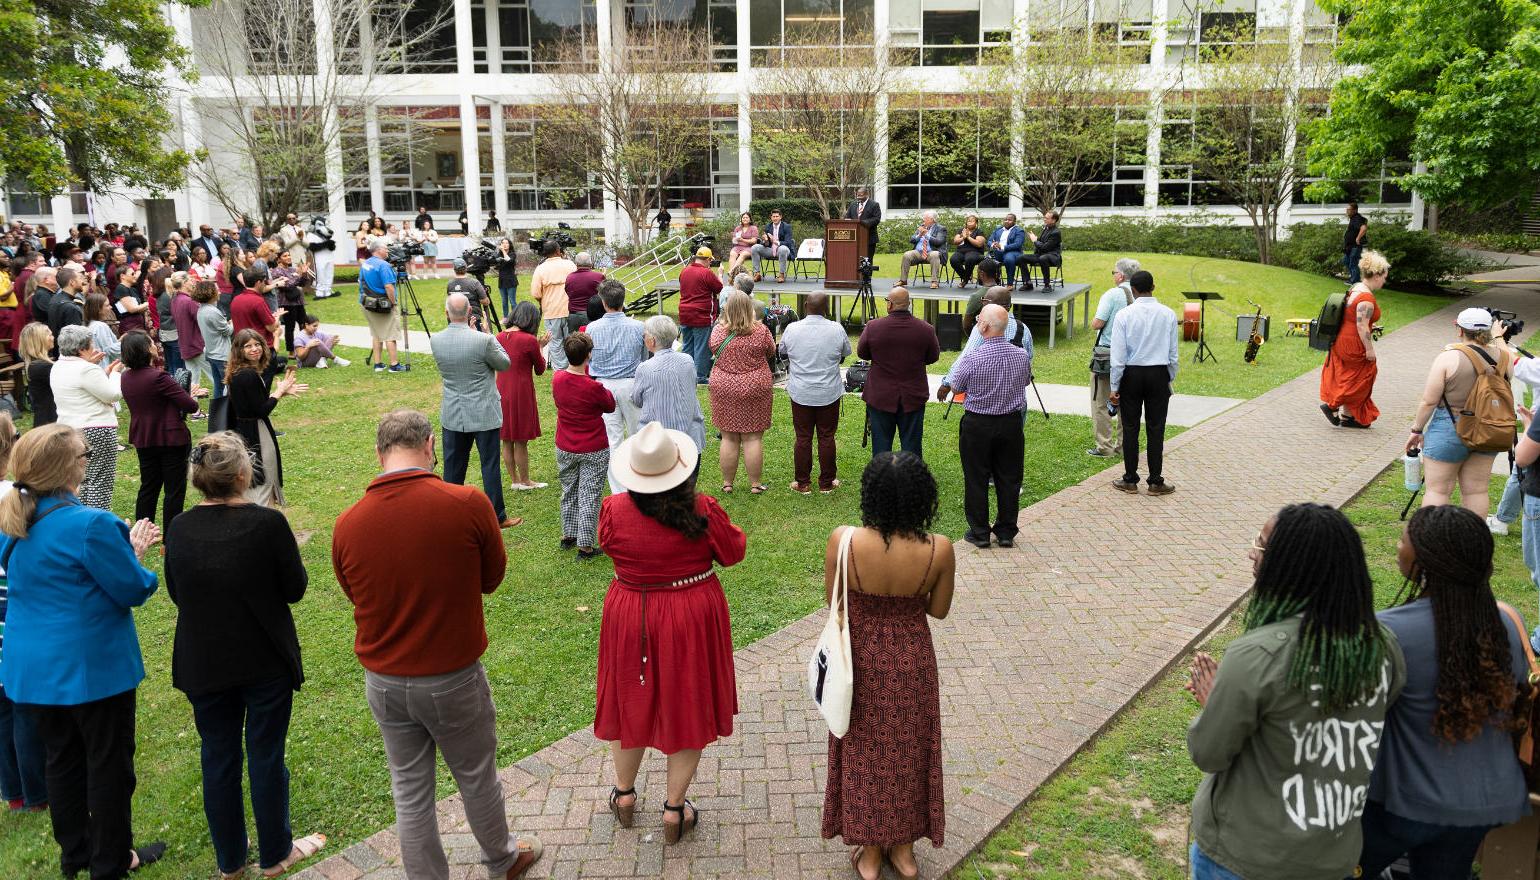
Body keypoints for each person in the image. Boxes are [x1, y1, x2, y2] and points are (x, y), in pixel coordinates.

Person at [332, 410, 545, 880]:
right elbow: (492, 579)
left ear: (379, 453)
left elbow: (354, 591)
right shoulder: (467, 503)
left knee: (409, 791)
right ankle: (502, 859)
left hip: (385, 681)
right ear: (430, 446)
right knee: (476, 776)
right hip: (452, 676)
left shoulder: (349, 523)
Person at [1184, 503, 1405, 880]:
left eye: (1263, 546)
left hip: (1246, 859)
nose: (1252, 553)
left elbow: (1209, 753)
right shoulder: (1382, 646)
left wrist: (1216, 704)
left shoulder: (1257, 655)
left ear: (1294, 567)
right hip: (1333, 856)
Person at [0, 424, 168, 878]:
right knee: (109, 767)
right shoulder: (91, 524)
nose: (86, 462)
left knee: (62, 760)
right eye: (84, 456)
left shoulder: (14, 518)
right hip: (90, 669)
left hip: (32, 668)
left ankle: (76, 853)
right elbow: (133, 588)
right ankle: (111, 860)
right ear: (66, 469)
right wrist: (133, 553)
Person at [166, 431, 325, 880]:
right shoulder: (266, 524)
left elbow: (179, 592)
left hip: (205, 659)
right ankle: (275, 853)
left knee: (218, 755)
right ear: (242, 474)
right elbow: (294, 588)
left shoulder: (180, 527)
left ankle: (230, 861)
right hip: (262, 656)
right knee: (264, 753)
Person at [1353, 505, 1529, 877]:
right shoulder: (1507, 622)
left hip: (1403, 803)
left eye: (1404, 539)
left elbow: (1355, 721)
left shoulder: (1388, 633)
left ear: (1424, 560)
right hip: (1479, 804)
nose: (1397, 545)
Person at [595, 422, 745, 844]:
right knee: (687, 704)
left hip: (631, 612)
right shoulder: (702, 509)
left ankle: (624, 797)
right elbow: (733, 552)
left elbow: (608, 544)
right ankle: (674, 810)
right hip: (689, 613)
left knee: (629, 700)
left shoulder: (613, 509)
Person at [822, 452, 955, 880]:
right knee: (912, 749)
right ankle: (904, 851)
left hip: (858, 661)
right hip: (912, 660)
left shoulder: (843, 540)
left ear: (870, 495)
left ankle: (871, 854)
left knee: (862, 749)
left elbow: (833, 603)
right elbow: (939, 610)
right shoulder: (939, 549)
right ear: (923, 498)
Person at [1405, 307, 1512, 518]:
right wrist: (1500, 338)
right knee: (1477, 490)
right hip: (1488, 429)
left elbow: (1429, 401)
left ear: (1459, 330)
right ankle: (1473, 542)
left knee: (1438, 490)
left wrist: (1416, 429)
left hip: (1450, 426)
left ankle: (1431, 540)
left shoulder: (1449, 357)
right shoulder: (1505, 359)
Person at [430, 293, 519, 529]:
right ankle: (497, 516)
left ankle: (450, 514)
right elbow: (505, 363)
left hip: (453, 411)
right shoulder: (483, 341)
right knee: (489, 464)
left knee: (453, 466)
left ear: (446, 312)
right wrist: (487, 334)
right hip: (484, 411)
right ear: (470, 311)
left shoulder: (436, 339)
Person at [948, 304, 1033, 549]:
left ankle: (980, 531)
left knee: (976, 477)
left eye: (978, 319)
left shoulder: (973, 357)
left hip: (978, 423)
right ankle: (1006, 531)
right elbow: (1025, 381)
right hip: (1010, 423)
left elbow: (956, 387)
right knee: (1009, 478)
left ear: (984, 326)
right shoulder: (1020, 355)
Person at [0, 415, 42, 817]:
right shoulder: (15, 496)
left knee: (2, 709)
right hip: (12, 606)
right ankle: (35, 790)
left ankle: (12, 790)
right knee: (22, 705)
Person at [1109, 270, 1178, 495]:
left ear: (1133, 290)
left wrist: (1114, 387)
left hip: (1131, 374)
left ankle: (1130, 479)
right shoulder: (1168, 314)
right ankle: (1155, 481)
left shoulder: (1124, 315)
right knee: (1156, 428)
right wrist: (1169, 377)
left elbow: (1117, 357)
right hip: (1158, 373)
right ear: (1153, 286)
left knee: (1130, 428)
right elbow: (1173, 354)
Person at [120, 331, 199, 525]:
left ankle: (143, 529)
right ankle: (170, 535)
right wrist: (187, 393)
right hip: (170, 437)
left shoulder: (126, 377)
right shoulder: (159, 377)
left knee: (149, 485)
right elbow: (191, 405)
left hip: (143, 436)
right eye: (151, 343)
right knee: (174, 489)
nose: (155, 346)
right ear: (147, 349)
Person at [552, 333, 615, 560]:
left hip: (566, 444)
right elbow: (610, 405)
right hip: (593, 446)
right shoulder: (593, 387)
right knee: (589, 493)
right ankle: (585, 545)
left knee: (569, 488)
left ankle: (568, 534)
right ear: (589, 355)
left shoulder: (558, 379)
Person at [779, 292, 850, 495]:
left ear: (806, 306)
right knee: (827, 436)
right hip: (828, 391)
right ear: (826, 308)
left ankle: (803, 484)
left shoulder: (792, 329)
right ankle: (826, 483)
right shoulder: (836, 329)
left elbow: (782, 351)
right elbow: (845, 352)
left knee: (803, 437)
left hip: (801, 391)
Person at [227, 330, 307, 508]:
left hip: (246, 430)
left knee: (256, 479)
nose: (254, 349)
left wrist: (281, 393)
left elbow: (253, 405)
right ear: (239, 350)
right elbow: (261, 411)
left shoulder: (240, 372)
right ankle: (264, 520)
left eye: (257, 345)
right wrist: (279, 392)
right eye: (248, 346)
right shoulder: (248, 375)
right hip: (256, 432)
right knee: (264, 478)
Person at [857, 287, 939, 458]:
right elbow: (932, 357)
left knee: (881, 446)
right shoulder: (926, 329)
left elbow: (862, 353)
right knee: (912, 446)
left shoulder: (873, 327)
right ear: (908, 304)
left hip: (881, 395)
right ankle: (912, 482)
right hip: (913, 395)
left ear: (890, 305)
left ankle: (881, 482)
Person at [709, 291, 777, 494]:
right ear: (750, 308)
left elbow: (712, 350)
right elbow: (771, 351)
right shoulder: (761, 331)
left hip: (724, 386)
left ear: (727, 308)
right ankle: (755, 484)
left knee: (729, 438)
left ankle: (727, 483)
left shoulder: (718, 332)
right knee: (753, 438)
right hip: (754, 385)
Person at [52, 325, 123, 510]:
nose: (94, 348)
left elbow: (81, 388)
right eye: (91, 345)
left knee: (79, 480)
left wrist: (102, 373)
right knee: (100, 481)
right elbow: (112, 395)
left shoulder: (58, 366)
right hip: (96, 429)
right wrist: (115, 374)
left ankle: (81, 518)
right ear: (82, 349)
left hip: (69, 430)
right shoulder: (86, 369)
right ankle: (97, 522)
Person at [586, 281, 647, 486]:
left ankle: (620, 488)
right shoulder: (638, 327)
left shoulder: (593, 329)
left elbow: (589, 358)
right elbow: (644, 358)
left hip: (606, 385)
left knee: (614, 438)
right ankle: (637, 480)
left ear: (604, 303)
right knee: (636, 434)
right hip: (628, 385)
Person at [1320, 249, 1387, 429]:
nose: (1385, 281)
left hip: (1343, 338)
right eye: (1384, 277)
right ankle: (1332, 405)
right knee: (1363, 376)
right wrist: (1369, 349)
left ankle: (1348, 417)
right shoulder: (1365, 298)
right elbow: (1361, 325)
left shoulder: (1356, 287)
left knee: (1349, 375)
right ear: (1376, 275)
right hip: (1353, 342)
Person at [937, 286, 1028, 402]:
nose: (982, 304)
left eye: (985, 301)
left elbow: (966, 357)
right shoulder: (1024, 329)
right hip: (1013, 406)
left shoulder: (981, 328)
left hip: (983, 406)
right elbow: (1027, 371)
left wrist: (946, 383)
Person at [632, 315, 706, 454]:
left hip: (657, 441)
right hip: (690, 437)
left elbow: (637, 400)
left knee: (659, 475)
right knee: (689, 475)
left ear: (652, 340)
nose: (643, 338)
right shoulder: (687, 360)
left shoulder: (644, 368)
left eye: (644, 335)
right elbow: (692, 385)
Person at [1088, 258, 1139, 458]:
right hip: (1132, 356)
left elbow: (1097, 323)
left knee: (1101, 401)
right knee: (1127, 402)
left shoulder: (1112, 294)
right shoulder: (1140, 295)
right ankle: (1123, 446)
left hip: (1107, 355)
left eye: (1113, 272)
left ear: (1120, 275)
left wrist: (1094, 321)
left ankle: (1105, 447)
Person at [496, 303, 548, 491]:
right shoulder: (529, 340)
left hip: (501, 389)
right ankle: (525, 480)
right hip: (520, 391)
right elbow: (541, 369)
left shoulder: (499, 336)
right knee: (520, 438)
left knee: (507, 437)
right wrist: (541, 347)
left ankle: (515, 479)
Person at [678, 247, 723, 384]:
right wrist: (720, 275)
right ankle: (700, 377)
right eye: (710, 261)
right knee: (702, 348)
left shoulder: (684, 271)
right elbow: (719, 288)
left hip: (684, 314)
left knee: (687, 346)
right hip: (701, 316)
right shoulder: (707, 273)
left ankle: (685, 374)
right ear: (708, 259)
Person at [359, 241, 406, 372]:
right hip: (382, 305)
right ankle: (394, 365)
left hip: (367, 303)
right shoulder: (384, 266)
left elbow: (361, 282)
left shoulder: (366, 263)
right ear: (378, 250)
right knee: (390, 334)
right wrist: (393, 302)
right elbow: (389, 286)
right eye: (386, 248)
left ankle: (378, 364)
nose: (388, 251)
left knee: (376, 333)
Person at [529, 240, 576, 370]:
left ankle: (560, 371)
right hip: (569, 310)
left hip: (551, 312)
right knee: (571, 342)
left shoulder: (541, 268)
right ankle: (572, 370)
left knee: (555, 343)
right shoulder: (570, 265)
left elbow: (535, 293)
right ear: (558, 251)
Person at [172, 270, 210, 393]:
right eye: (189, 280)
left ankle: (195, 411)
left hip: (185, 345)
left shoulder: (175, 300)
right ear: (184, 283)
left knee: (192, 382)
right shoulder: (189, 301)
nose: (193, 282)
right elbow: (203, 321)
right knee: (216, 376)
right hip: (197, 345)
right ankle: (227, 406)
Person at [230, 263, 284, 351]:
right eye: (264, 281)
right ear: (258, 282)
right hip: (260, 348)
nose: (265, 284)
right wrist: (277, 317)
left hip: (244, 348)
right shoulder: (258, 301)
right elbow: (271, 328)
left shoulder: (235, 299)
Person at [195, 281, 233, 400]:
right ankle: (228, 412)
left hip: (211, 352)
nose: (220, 292)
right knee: (229, 385)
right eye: (217, 290)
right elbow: (227, 331)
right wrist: (234, 322)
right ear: (210, 293)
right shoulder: (213, 312)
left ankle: (217, 412)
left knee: (218, 386)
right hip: (221, 354)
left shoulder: (201, 309)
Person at [270, 250, 310, 353]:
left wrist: (304, 273)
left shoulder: (293, 269)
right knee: (290, 327)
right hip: (286, 302)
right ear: (279, 259)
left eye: (289, 255)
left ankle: (304, 346)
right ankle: (291, 351)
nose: (288, 257)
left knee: (303, 324)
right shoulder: (276, 271)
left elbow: (302, 283)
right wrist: (296, 276)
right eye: (285, 256)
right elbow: (287, 285)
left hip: (298, 301)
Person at [898, 211, 947, 290]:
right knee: (907, 254)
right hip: (918, 252)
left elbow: (939, 242)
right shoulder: (921, 226)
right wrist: (920, 234)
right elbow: (912, 240)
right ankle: (903, 280)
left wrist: (926, 235)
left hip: (931, 251)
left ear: (932, 219)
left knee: (935, 254)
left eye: (925, 218)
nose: (923, 220)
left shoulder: (941, 228)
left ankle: (934, 281)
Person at [18, 322, 56, 425]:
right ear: (39, 340)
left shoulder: (35, 364)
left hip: (44, 419)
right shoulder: (43, 367)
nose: (53, 337)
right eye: (49, 335)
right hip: (50, 422)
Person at [1017, 210, 1062, 290]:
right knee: (1021, 258)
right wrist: (1035, 238)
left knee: (1043, 258)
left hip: (1052, 256)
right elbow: (1042, 243)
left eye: (1047, 218)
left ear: (1053, 220)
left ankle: (1047, 285)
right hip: (1041, 254)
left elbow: (1045, 248)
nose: (1044, 219)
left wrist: (1034, 240)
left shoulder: (1056, 232)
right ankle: (1028, 283)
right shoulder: (1046, 228)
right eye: (1044, 217)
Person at [445, 259, 492, 331]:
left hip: (454, 319)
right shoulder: (474, 283)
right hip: (473, 318)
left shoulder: (450, 284)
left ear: (454, 269)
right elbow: (485, 302)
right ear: (466, 268)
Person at [751, 209, 794, 283]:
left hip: (783, 250)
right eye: (773, 216)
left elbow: (788, 243)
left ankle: (781, 274)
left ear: (780, 217)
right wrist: (766, 240)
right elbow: (766, 245)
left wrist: (775, 241)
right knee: (754, 247)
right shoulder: (768, 226)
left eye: (777, 216)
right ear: (771, 218)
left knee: (782, 249)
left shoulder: (787, 227)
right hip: (771, 250)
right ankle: (757, 274)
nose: (775, 218)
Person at [564, 252, 604, 329]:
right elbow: (605, 293)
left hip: (573, 315)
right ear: (590, 263)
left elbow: (567, 292)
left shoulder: (569, 277)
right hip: (592, 315)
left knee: (573, 340)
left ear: (576, 264)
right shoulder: (598, 276)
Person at [986, 214, 1026, 287]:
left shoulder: (1019, 231)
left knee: (1009, 259)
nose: (1007, 221)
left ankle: (1010, 284)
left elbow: (1017, 244)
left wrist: (1002, 247)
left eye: (1010, 220)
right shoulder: (998, 229)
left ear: (1014, 221)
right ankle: (992, 281)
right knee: (987, 259)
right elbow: (989, 241)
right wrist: (993, 245)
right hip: (997, 251)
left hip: (1012, 252)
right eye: (1006, 219)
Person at [949, 214, 988, 288]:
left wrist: (968, 237)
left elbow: (979, 244)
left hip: (975, 252)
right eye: (968, 221)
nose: (970, 222)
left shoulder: (979, 232)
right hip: (960, 252)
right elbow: (955, 241)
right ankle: (966, 276)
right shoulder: (961, 230)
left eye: (972, 221)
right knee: (953, 259)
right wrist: (963, 237)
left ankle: (965, 281)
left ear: (976, 223)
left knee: (969, 259)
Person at [304, 215, 338, 300]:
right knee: (321, 274)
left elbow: (332, 247)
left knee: (329, 273)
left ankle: (328, 291)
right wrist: (327, 244)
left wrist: (330, 243)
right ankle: (320, 292)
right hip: (319, 258)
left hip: (329, 256)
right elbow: (313, 247)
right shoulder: (311, 235)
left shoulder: (325, 236)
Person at [111, 263, 149, 336]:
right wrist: (147, 304)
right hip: (130, 326)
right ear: (122, 276)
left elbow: (138, 307)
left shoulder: (132, 289)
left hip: (138, 323)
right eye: (132, 274)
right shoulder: (121, 288)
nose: (135, 276)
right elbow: (132, 309)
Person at [845, 187, 882, 260]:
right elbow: (847, 217)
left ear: (867, 195)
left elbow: (876, 219)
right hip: (854, 238)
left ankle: (867, 271)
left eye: (861, 195)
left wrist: (862, 223)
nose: (859, 197)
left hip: (869, 238)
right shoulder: (853, 204)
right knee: (853, 260)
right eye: (857, 195)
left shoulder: (874, 205)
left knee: (867, 261)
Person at [84, 292, 121, 364]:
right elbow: (109, 349)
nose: (111, 307)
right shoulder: (100, 326)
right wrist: (125, 343)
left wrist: (119, 341)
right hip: (104, 365)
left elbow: (104, 345)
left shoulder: (91, 325)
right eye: (107, 305)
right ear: (98, 309)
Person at [724, 212, 758, 281]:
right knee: (732, 253)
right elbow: (734, 241)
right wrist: (735, 239)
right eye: (743, 218)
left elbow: (754, 241)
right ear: (741, 219)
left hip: (749, 247)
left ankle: (732, 272)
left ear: (750, 219)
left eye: (746, 217)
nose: (745, 219)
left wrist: (742, 239)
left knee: (743, 255)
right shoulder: (738, 228)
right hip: (738, 246)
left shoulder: (753, 228)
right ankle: (731, 275)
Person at [1344, 202, 1368, 285]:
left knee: (1353, 263)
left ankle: (1355, 281)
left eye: (1349, 210)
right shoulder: (1353, 218)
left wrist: (1358, 238)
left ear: (1355, 210)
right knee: (1346, 261)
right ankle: (1353, 278)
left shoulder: (1357, 218)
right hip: (1349, 246)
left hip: (1355, 246)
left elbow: (1364, 228)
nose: (1347, 211)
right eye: (1347, 209)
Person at [494, 238, 519, 316]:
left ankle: (515, 318)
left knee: (512, 301)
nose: (504, 244)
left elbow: (508, 260)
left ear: (509, 244)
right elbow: (495, 265)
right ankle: (505, 317)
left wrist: (503, 251)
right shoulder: (499, 255)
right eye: (503, 243)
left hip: (511, 281)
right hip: (502, 281)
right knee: (504, 301)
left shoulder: (512, 254)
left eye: (506, 243)